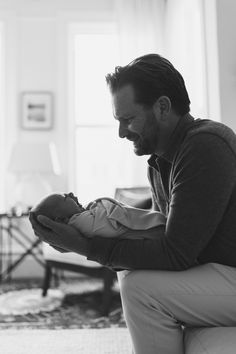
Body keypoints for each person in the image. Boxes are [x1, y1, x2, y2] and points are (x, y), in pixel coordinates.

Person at [30, 53, 236, 354]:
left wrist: (86, 248)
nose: (121, 132)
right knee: (130, 271)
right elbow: (159, 228)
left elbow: (176, 253)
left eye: (128, 119)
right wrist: (84, 227)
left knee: (138, 289)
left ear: (163, 107)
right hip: (220, 270)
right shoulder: (160, 161)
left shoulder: (205, 145)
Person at [30, 192, 166, 239]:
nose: (71, 193)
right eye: (66, 197)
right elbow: (109, 225)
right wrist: (100, 204)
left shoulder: (84, 218)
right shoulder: (80, 223)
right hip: (156, 229)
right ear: (61, 219)